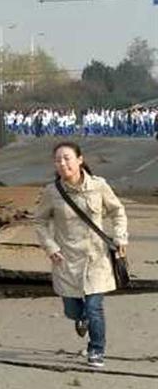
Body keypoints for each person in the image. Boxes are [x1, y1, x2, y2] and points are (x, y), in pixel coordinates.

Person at [34, 141, 128, 369]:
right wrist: (50, 247)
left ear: (80, 160)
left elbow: (118, 211)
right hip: (66, 260)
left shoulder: (99, 186)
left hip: (96, 258)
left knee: (95, 306)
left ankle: (96, 349)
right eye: (58, 160)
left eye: (67, 158)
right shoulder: (52, 192)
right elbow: (40, 221)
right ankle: (81, 318)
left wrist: (120, 236)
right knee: (72, 309)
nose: (62, 163)